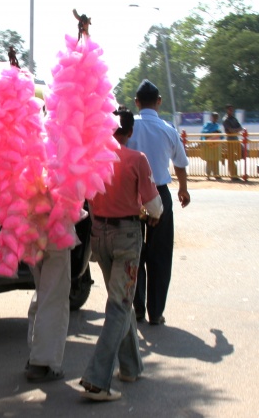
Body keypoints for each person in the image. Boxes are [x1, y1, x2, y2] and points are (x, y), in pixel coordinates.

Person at [79, 106, 163, 401]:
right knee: (118, 305)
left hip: (98, 235)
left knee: (121, 302)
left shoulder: (92, 158)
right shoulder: (136, 159)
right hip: (126, 237)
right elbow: (154, 207)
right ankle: (97, 378)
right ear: (128, 132)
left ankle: (130, 367)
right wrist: (150, 213)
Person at [128, 79, 190, 325]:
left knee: (134, 252)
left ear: (136, 102)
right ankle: (156, 311)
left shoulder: (129, 126)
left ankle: (138, 308)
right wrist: (183, 190)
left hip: (132, 195)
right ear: (159, 102)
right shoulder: (168, 129)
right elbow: (181, 163)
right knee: (160, 254)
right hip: (160, 195)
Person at [25, 242, 72, 382]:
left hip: (31, 235)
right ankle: (42, 364)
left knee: (42, 294)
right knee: (54, 298)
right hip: (56, 237)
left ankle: (35, 356)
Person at [222, 104, 243, 180]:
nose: (231, 111)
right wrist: (236, 130)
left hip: (235, 139)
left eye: (232, 109)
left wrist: (235, 130)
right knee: (231, 158)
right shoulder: (225, 119)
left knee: (240, 153)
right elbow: (229, 130)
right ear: (227, 110)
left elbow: (240, 128)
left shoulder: (234, 119)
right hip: (230, 139)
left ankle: (235, 174)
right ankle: (233, 175)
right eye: (230, 109)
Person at [201, 112, 222, 179]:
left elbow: (220, 134)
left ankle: (216, 174)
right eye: (214, 117)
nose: (216, 119)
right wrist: (213, 132)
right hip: (208, 144)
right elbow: (204, 132)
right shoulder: (207, 124)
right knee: (209, 159)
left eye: (217, 117)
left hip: (216, 144)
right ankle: (208, 174)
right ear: (211, 117)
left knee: (216, 159)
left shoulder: (217, 125)